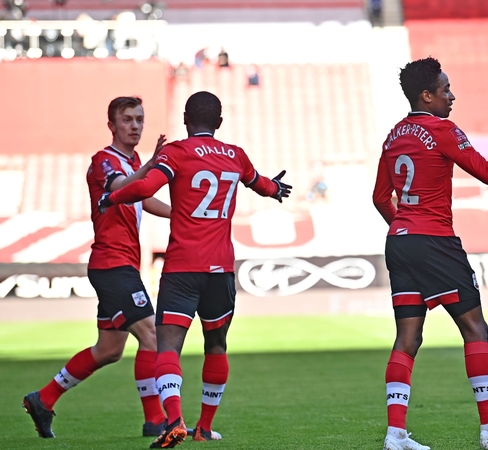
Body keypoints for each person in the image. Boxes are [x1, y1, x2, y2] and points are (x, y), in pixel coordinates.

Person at [373, 56, 488, 450]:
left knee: (407, 338)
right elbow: (487, 172)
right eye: (446, 89)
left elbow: (380, 198)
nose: (452, 96)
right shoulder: (442, 130)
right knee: (475, 329)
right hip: (435, 241)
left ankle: (395, 435)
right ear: (427, 95)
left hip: (399, 241)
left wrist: (405, 226)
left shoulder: (393, 135)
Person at [98, 91, 292, 448]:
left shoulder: (176, 152)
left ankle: (174, 420)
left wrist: (112, 197)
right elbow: (261, 183)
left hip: (182, 269)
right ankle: (204, 427)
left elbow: (145, 187)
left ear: (185, 120)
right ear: (219, 122)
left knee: (168, 347)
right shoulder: (236, 155)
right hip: (221, 271)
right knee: (216, 346)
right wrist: (276, 188)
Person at [22, 96, 171, 439]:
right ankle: (155, 420)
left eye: (139, 119)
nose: (135, 126)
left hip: (122, 265)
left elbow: (142, 195)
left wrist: (180, 214)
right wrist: (149, 167)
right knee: (152, 335)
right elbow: (121, 187)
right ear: (112, 125)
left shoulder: (132, 162)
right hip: (112, 265)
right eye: (127, 119)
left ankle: (43, 399)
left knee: (109, 350)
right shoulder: (104, 161)